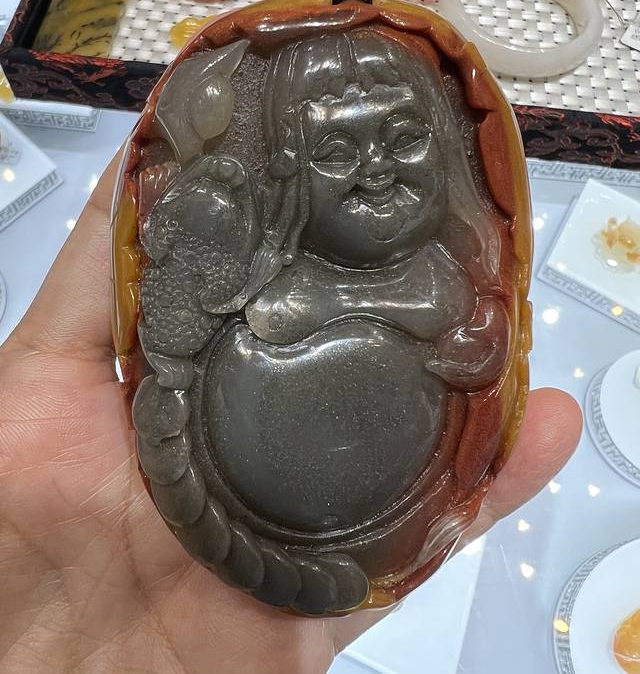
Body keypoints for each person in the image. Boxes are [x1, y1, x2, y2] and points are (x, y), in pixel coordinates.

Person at [0, 150, 582, 673]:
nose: (375, 167)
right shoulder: (266, 271)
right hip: (252, 459)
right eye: (334, 155)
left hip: (382, 493)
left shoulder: (444, 268)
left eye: (405, 139)